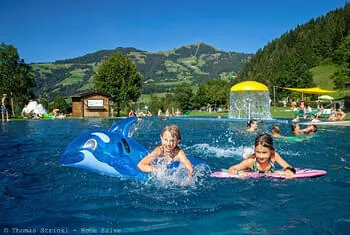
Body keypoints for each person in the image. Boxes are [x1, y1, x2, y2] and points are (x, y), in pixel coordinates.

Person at [227, 134, 295, 178]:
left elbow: (288, 166)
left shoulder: (274, 156)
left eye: (264, 152)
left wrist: (288, 171)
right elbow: (231, 169)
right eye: (258, 152)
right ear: (255, 150)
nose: (261, 156)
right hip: (253, 175)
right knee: (246, 158)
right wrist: (239, 172)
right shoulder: (250, 162)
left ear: (271, 151)